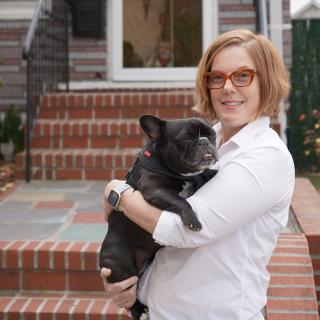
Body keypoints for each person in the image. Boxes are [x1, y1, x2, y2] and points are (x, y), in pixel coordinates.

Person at [100, 29, 295, 320]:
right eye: (217, 77)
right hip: (158, 309)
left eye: (243, 76)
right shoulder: (207, 138)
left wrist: (117, 193)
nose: (228, 87)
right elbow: (126, 218)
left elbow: (184, 230)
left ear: (266, 81)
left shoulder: (266, 156)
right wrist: (123, 277)